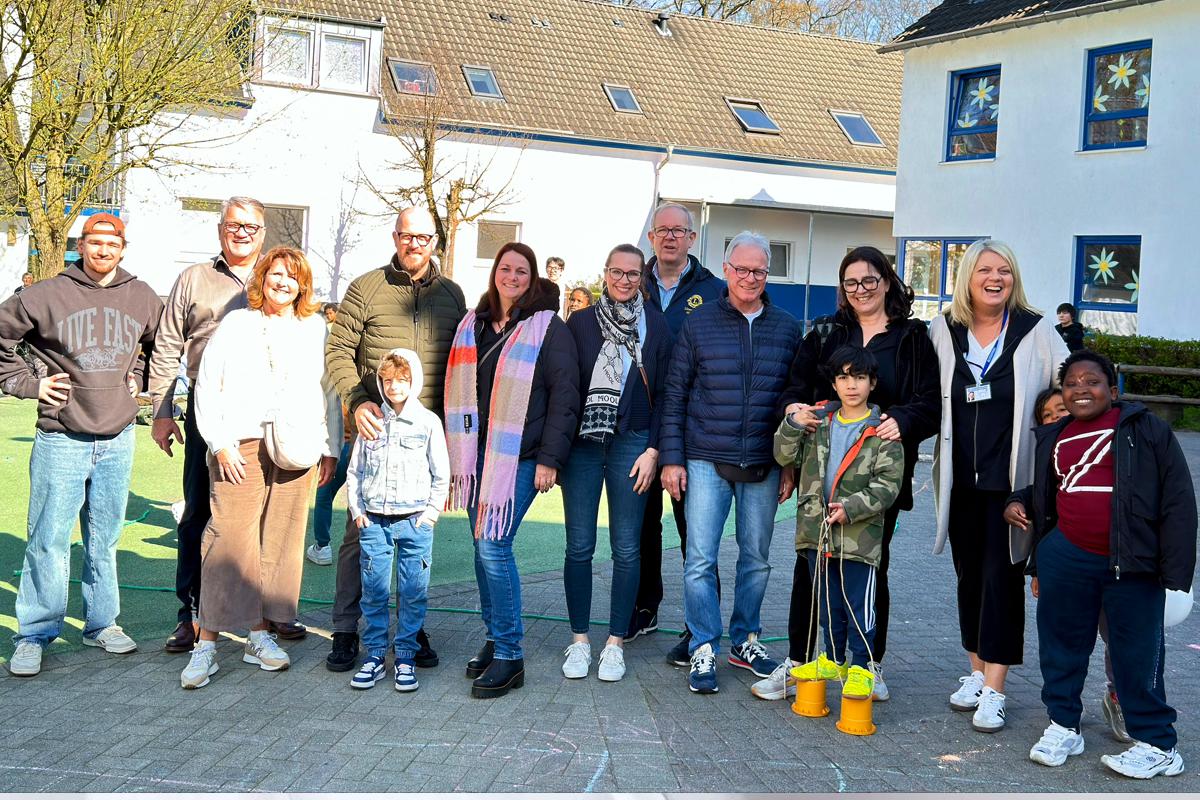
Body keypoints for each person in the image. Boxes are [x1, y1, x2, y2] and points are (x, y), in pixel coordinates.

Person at [757, 245, 940, 703]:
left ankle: (866, 664)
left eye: (869, 280)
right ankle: (799, 661)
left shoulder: (912, 337)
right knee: (810, 571)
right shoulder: (825, 331)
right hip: (822, 474)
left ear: (887, 281)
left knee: (869, 571)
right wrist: (794, 411)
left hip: (877, 476)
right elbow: (795, 388)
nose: (861, 289)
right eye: (851, 282)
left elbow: (930, 402)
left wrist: (903, 420)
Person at [1005, 351, 1196, 778]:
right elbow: (1049, 491)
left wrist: (1177, 571)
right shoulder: (1055, 435)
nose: (1080, 389)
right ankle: (1063, 726)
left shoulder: (1144, 428)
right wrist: (1017, 503)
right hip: (1066, 558)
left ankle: (1158, 743)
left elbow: (1179, 498)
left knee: (1137, 654)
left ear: (1112, 390)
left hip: (1132, 563)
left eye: (1091, 382)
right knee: (1061, 648)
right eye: (1071, 383)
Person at [0, 213, 162, 676]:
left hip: (118, 436)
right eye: (95, 242)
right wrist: (29, 384)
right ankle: (35, 633)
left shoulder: (142, 296)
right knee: (49, 539)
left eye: (112, 243)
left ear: (123, 248)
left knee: (105, 539)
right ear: (82, 245)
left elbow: (160, 345)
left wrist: (140, 378)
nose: (103, 250)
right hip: (61, 436)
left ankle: (101, 623)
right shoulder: (46, 294)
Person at [180, 247, 340, 689]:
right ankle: (206, 644)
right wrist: (220, 443)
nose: (283, 282)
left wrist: (330, 447)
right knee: (228, 540)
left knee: (281, 542)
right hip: (241, 444)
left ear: (303, 285)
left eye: (292, 276)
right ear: (263, 278)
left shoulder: (316, 328)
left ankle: (259, 636)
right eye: (276, 274)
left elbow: (328, 392)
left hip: (297, 445)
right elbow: (207, 384)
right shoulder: (237, 324)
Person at [147, 196, 301, 653]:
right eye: (234, 225)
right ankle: (193, 614)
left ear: (263, 232)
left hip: (270, 411)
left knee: (268, 516)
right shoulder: (194, 278)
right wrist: (161, 410)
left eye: (251, 227)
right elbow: (167, 344)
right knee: (200, 511)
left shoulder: (278, 276)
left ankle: (266, 612)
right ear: (220, 229)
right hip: (209, 405)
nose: (242, 233)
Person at [929, 239, 1070, 733]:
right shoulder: (944, 329)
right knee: (968, 577)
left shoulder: (1035, 329)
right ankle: (975, 671)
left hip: (1012, 484)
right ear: (967, 278)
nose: (995, 278)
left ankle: (996, 688)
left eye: (1004, 270)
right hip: (960, 481)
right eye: (985, 270)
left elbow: (1071, 382)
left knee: (1002, 579)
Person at [324, 206, 466, 673]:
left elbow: (460, 361)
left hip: (422, 435)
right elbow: (338, 350)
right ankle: (347, 629)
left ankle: (410, 629)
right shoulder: (366, 287)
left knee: (414, 539)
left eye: (423, 237)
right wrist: (357, 401)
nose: (414, 244)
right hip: (375, 428)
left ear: (435, 241)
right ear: (395, 237)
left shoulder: (452, 295)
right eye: (407, 236)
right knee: (360, 533)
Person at [659, 231, 800, 694]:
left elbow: (793, 400)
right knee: (700, 558)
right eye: (741, 269)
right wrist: (673, 459)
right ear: (725, 270)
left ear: (767, 274)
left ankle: (745, 640)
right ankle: (703, 643)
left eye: (759, 270)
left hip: (763, 461)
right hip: (704, 457)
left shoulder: (787, 328)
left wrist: (790, 463)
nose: (749, 278)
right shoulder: (698, 324)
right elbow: (675, 394)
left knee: (756, 559)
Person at [445, 242, 579, 698]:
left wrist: (550, 460)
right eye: (506, 269)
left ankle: (509, 653)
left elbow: (565, 395)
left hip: (522, 457)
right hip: (476, 455)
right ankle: (493, 637)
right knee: (480, 548)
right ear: (495, 273)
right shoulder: (473, 324)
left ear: (533, 277)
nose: (513, 277)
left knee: (493, 545)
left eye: (522, 271)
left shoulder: (547, 327)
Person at [560, 244, 672, 682]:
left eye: (632, 274)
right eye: (617, 272)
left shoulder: (656, 325)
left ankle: (615, 643)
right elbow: (565, 387)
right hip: (584, 447)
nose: (624, 280)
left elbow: (667, 394)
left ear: (642, 279)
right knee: (579, 545)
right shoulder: (580, 323)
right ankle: (579, 640)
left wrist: (654, 450)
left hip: (634, 444)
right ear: (605, 274)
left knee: (627, 547)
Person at [773, 346, 903, 701]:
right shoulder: (817, 421)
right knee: (827, 603)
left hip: (860, 538)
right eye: (843, 377)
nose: (851, 385)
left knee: (859, 605)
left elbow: (888, 485)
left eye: (859, 377)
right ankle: (832, 659)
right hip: (817, 533)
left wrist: (851, 507)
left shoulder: (882, 430)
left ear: (872, 383)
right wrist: (792, 423)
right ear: (833, 383)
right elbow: (782, 455)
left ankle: (862, 667)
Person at [633, 201, 724, 666]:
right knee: (641, 523)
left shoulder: (715, 291)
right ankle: (643, 607)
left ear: (692, 238)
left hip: (693, 428)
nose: (670, 237)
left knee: (695, 533)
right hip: (639, 425)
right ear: (651, 237)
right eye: (662, 230)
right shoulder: (633, 283)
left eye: (679, 230)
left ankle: (698, 628)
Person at [346, 349, 450, 693]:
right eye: (387, 380)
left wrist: (430, 514)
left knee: (413, 592)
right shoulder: (372, 420)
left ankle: (405, 655)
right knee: (374, 592)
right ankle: (375, 655)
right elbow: (355, 470)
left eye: (402, 380)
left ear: (414, 381)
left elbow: (441, 472)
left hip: (415, 521)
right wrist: (358, 511)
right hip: (374, 521)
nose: (394, 386)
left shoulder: (428, 422)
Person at [1031, 383, 1128, 744]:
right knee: (1066, 639)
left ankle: (1120, 698)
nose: (1055, 417)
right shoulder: (1051, 449)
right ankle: (1064, 718)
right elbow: (1040, 500)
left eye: (1060, 409)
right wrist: (1039, 566)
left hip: (1118, 563)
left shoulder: (1118, 437)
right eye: (1047, 415)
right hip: (1068, 562)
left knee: (1121, 638)